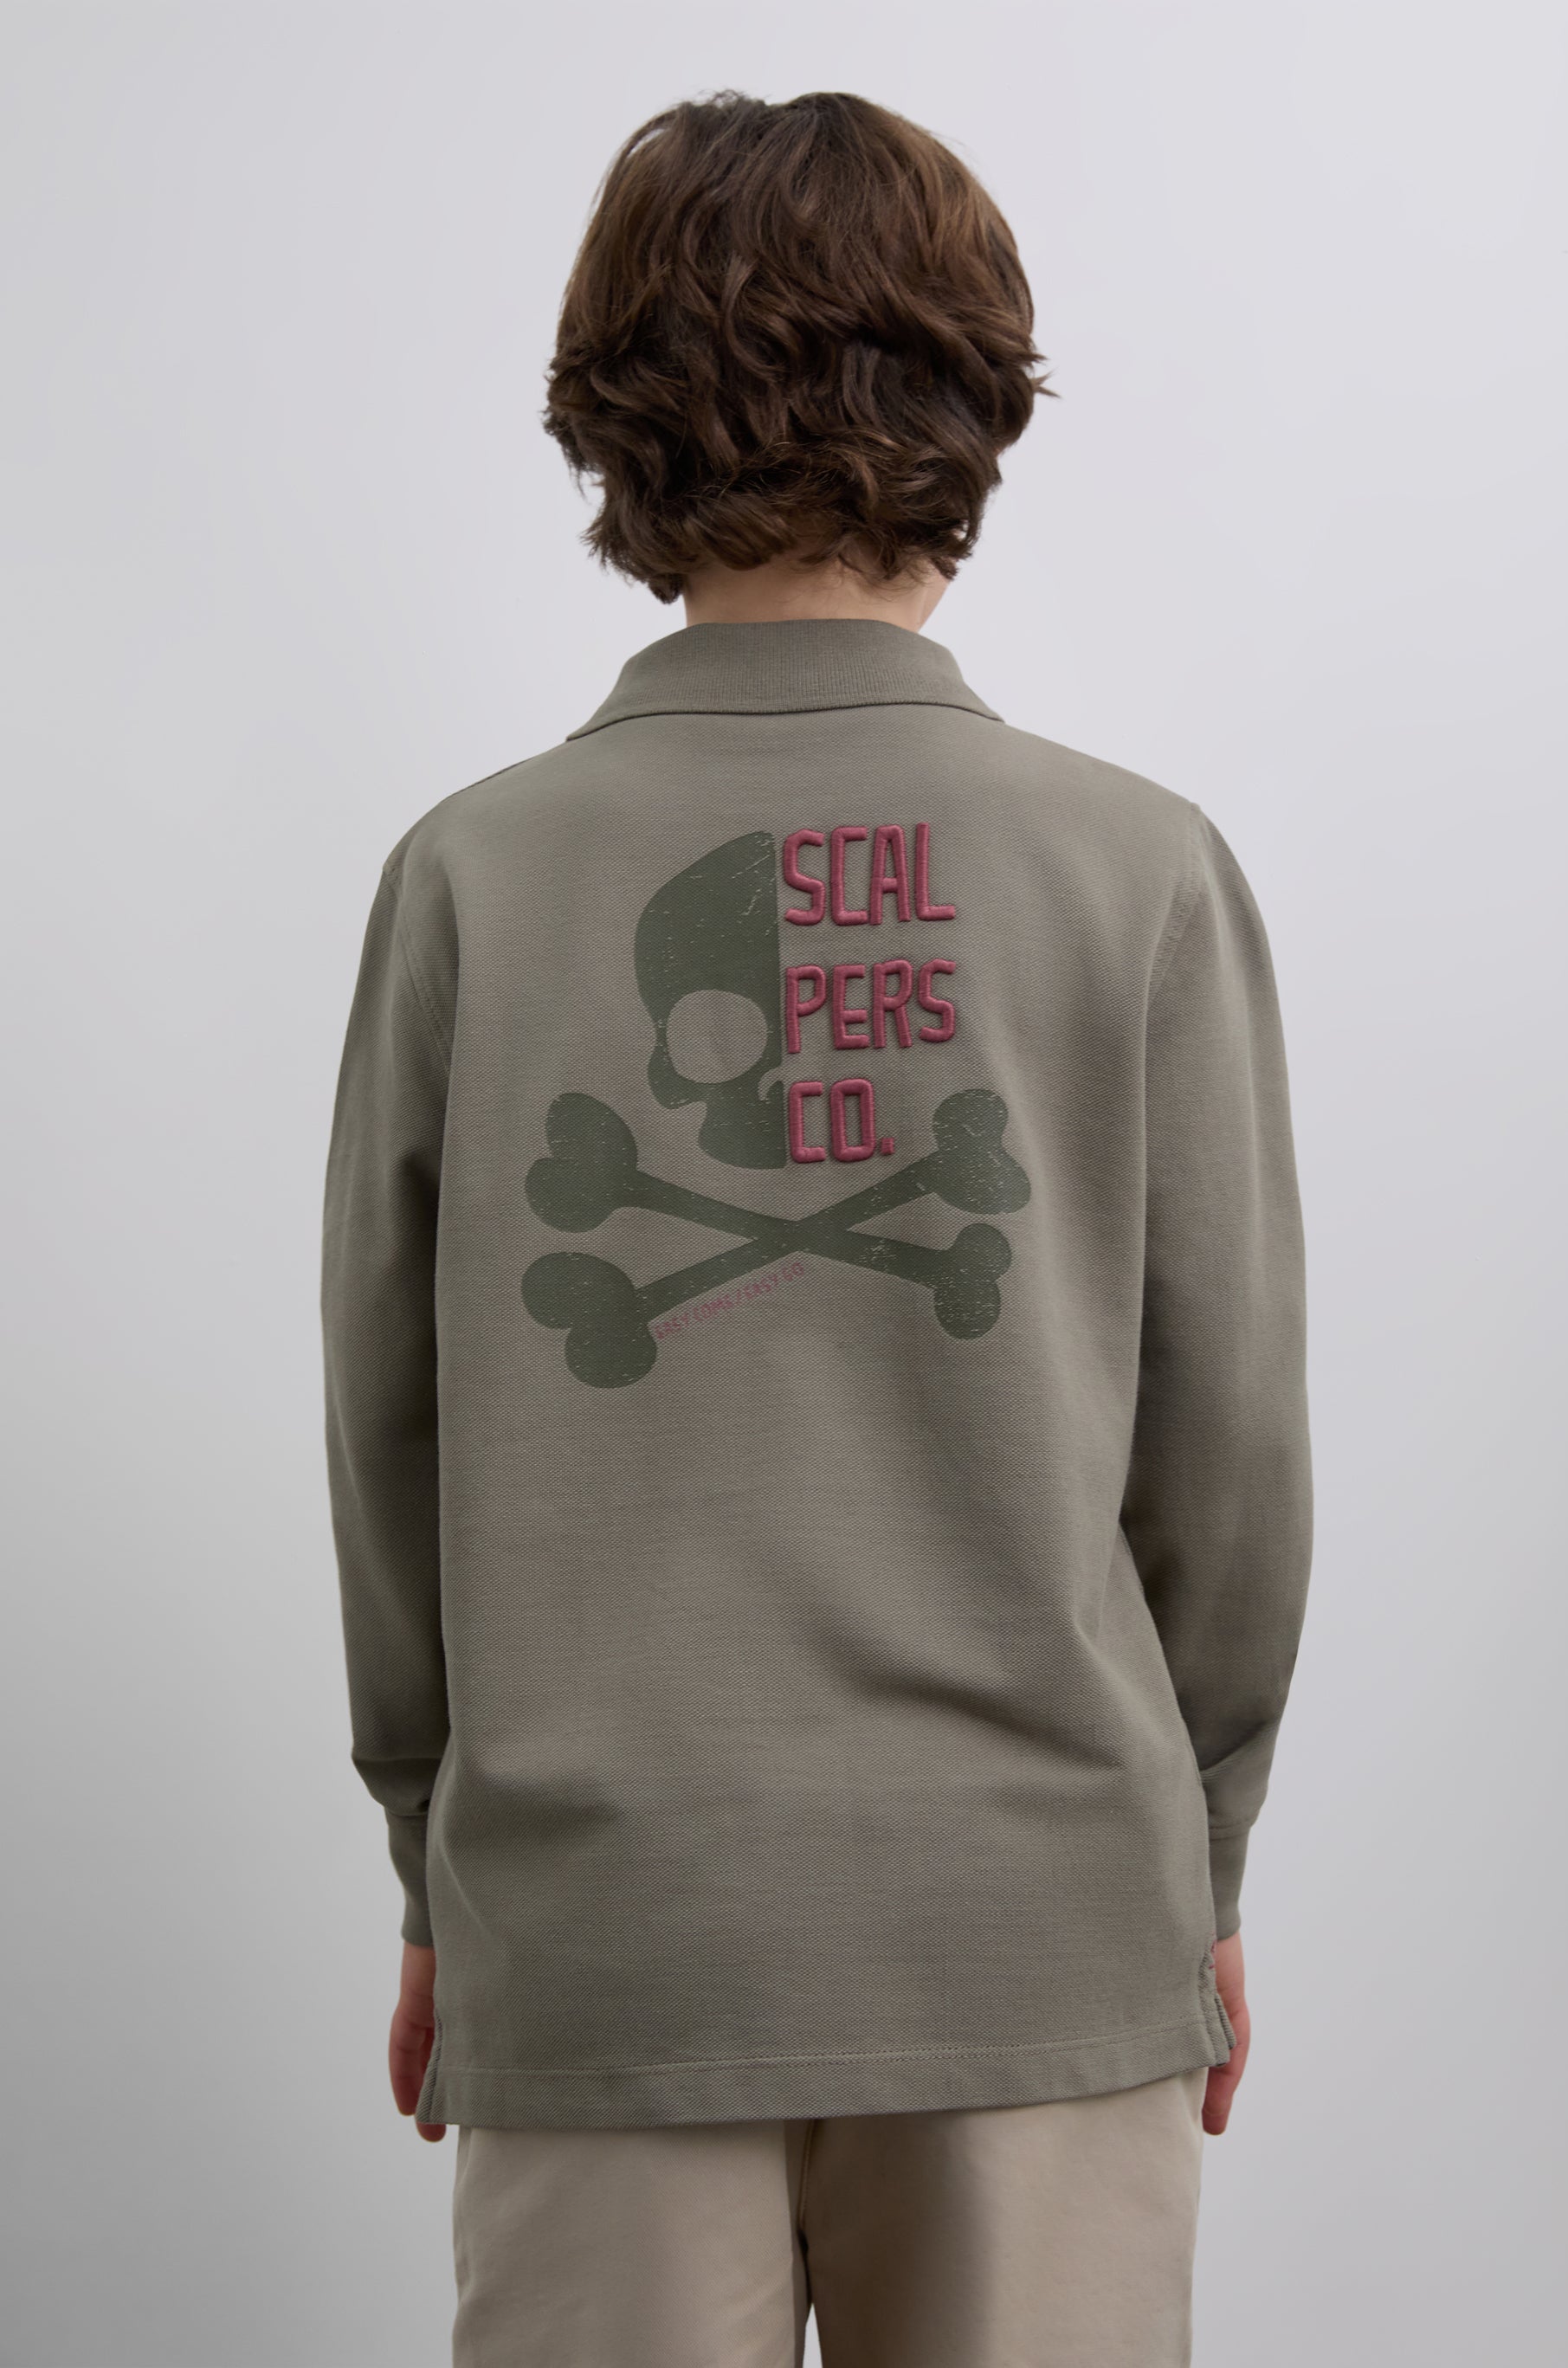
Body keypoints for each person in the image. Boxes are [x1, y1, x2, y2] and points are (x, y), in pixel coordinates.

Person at [321, 87, 1312, 2368]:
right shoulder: (1137, 871)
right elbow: (1231, 1446)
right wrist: (1202, 1858)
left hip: (606, 1929)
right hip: (1040, 1928)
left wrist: (437, 1862)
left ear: (613, 415)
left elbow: (388, 1435)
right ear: (976, 403)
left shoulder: (470, 878)